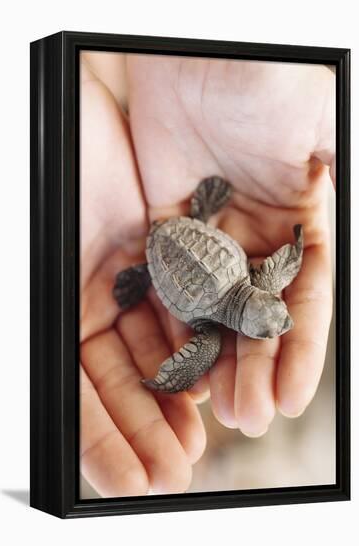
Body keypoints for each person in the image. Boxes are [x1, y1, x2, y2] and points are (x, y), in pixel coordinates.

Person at [79, 53, 335, 497]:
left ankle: (200, 217)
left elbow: (277, 270)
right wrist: (294, 247)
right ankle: (153, 267)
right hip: (165, 252)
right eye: (279, 311)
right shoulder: (215, 329)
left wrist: (294, 248)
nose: (284, 318)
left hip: (190, 233)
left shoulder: (238, 294)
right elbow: (280, 268)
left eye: (273, 316)